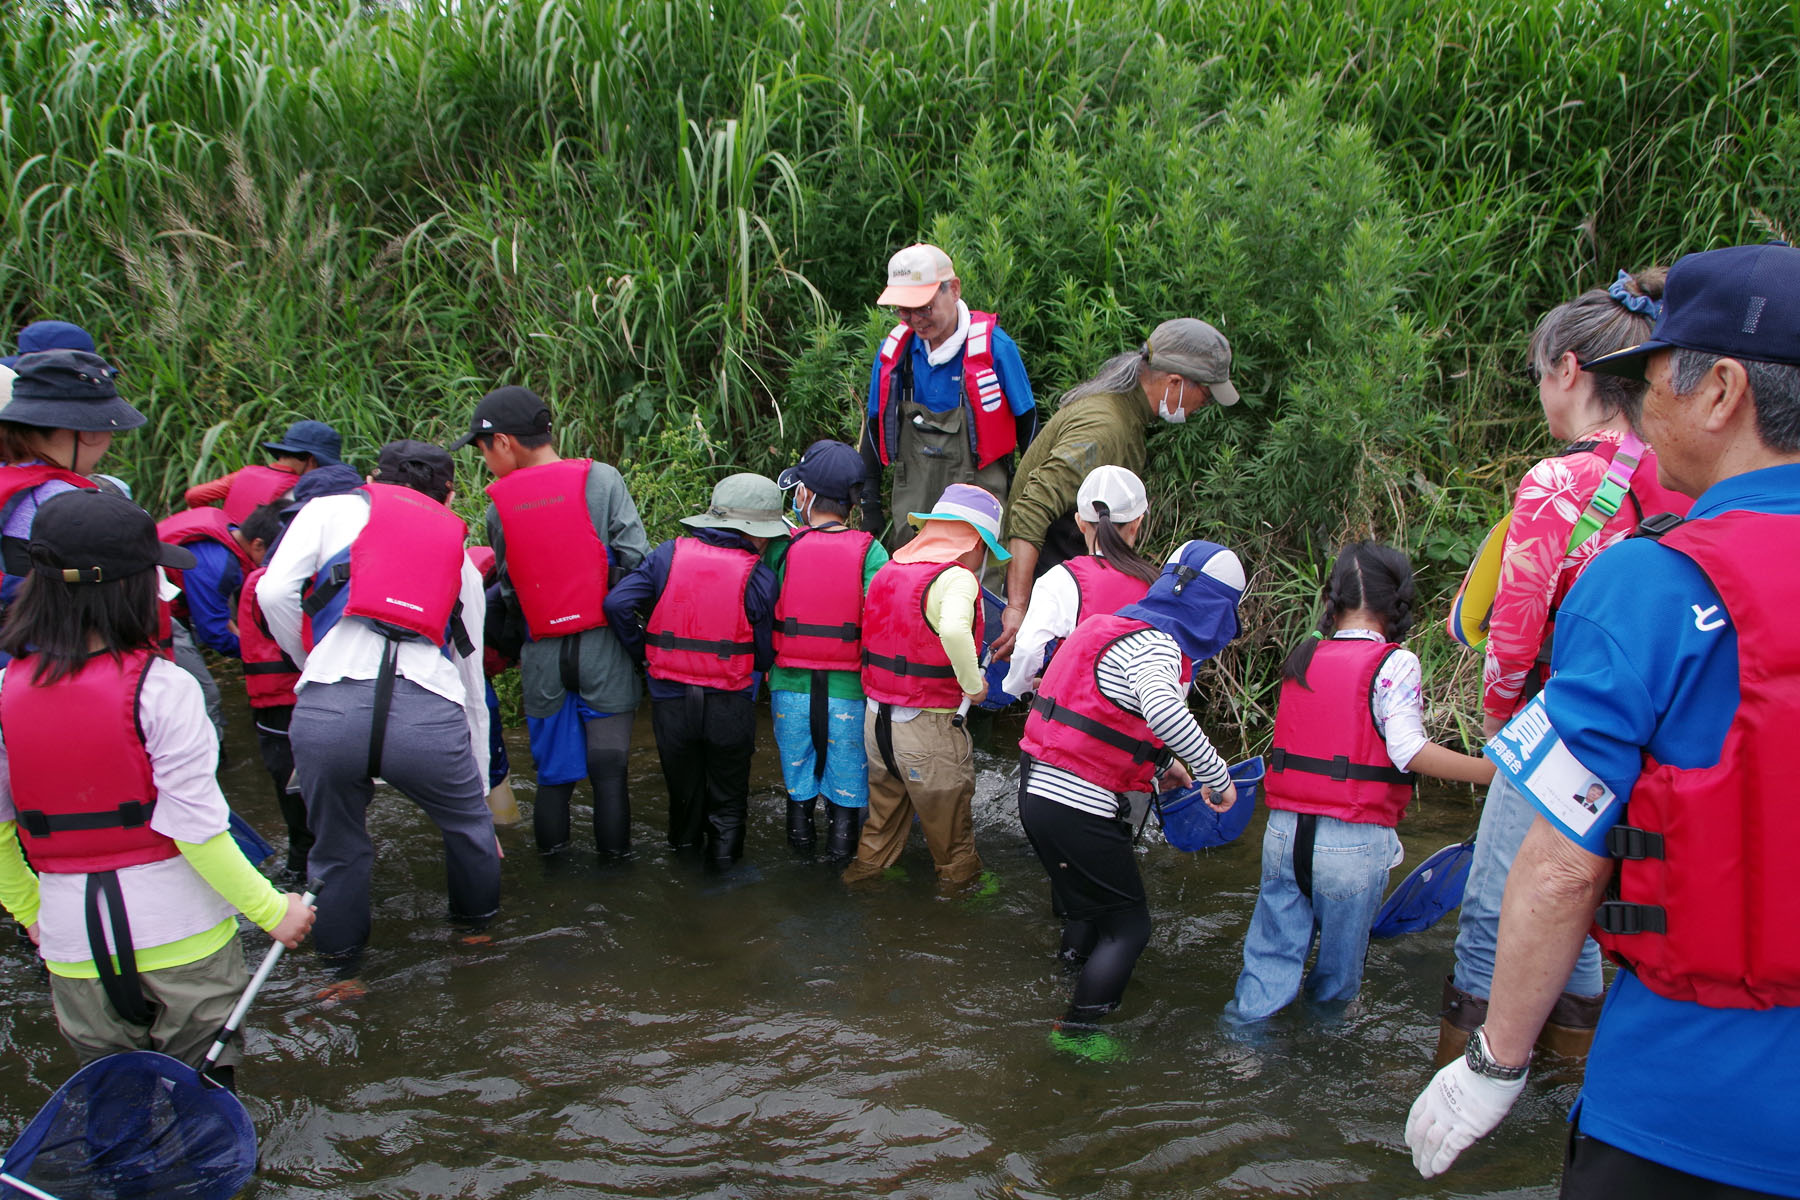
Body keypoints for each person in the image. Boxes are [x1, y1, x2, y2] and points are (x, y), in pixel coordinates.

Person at [1406, 241, 1800, 1198]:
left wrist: (1494, 1064)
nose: (1642, 408)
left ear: (1724, 393)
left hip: (1689, 1108)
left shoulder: (1653, 581)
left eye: (1656, 380)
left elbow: (1565, 862)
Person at [1440, 267, 1693, 1067]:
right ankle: (1563, 1076)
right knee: (1577, 907)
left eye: (1540, 374)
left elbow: (1514, 629)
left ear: (1570, 371)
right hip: (1651, 722)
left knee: (1495, 908)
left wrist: (1497, 717)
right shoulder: (1681, 474)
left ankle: (1461, 1088)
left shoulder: (1560, 479)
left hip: (1565, 714)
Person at [0, 490, 313, 1085]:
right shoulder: (163, 688)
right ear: (132, 589)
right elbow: (197, 832)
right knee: (200, 1101)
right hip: (183, 940)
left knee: (118, 1105)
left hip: (72, 946)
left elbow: (0, 836)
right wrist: (275, 911)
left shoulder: (3, 693)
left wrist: (34, 915)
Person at [1225, 543, 1494, 1024]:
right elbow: (1408, 750)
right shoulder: (1397, 663)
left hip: (1283, 835)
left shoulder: (1303, 656)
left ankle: (1241, 1057)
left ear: (1336, 598)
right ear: (1398, 602)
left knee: (1265, 973)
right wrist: (1494, 772)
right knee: (1335, 988)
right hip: (1350, 844)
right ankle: (1321, 1068)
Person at [257, 440, 499, 974]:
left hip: (329, 709)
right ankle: (476, 947)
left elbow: (273, 592)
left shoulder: (325, 508)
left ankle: (343, 979)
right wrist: (479, 798)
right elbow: (471, 678)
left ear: (372, 478)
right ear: (449, 495)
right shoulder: (454, 549)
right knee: (468, 832)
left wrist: (311, 661)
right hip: (426, 716)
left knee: (337, 852)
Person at [1016, 538, 1243, 1059]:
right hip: (1076, 803)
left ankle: (1069, 971)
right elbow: (1163, 712)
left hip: (1037, 791)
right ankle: (1079, 1036)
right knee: (1129, 927)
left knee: (1089, 906)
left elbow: (1103, 714)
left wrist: (1163, 766)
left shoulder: (1107, 627)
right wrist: (1218, 777)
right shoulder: (1159, 645)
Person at [456, 386, 649, 858]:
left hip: (543, 657)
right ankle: (616, 885)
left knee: (553, 783)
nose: (485, 462)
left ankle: (553, 886)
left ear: (503, 442)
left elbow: (509, 588)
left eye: (482, 450)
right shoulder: (602, 481)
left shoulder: (497, 508)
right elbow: (637, 562)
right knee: (609, 779)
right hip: (604, 651)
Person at [992, 318, 1239, 659]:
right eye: (1206, 395)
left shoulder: (1124, 414)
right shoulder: (1106, 427)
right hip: (1046, 603)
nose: (1203, 407)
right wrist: (1017, 607)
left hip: (1061, 597)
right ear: (1175, 382)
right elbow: (1033, 505)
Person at [604, 474, 781, 871]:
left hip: (670, 701)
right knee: (729, 800)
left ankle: (682, 877)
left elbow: (617, 604)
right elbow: (765, 656)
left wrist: (644, 653)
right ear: (756, 534)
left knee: (683, 798)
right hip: (729, 705)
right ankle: (723, 884)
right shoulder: (761, 577)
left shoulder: (666, 555)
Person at [843, 483, 1008, 886]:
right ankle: (963, 905)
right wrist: (973, 686)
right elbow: (952, 629)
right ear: (975, 541)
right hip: (927, 729)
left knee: (880, 826)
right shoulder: (957, 578)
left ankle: (861, 885)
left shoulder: (889, 569)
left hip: (877, 721)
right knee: (953, 838)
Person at [860, 243, 1036, 550]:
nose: (915, 320)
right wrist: (869, 503)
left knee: (978, 587)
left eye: (924, 307)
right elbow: (873, 432)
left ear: (953, 290)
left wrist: (1033, 506)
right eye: (904, 309)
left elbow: (1030, 431)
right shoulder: (895, 356)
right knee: (911, 586)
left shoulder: (996, 348)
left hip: (979, 503)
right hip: (913, 503)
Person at [767, 440, 889, 862]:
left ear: (805, 495)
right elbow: (881, 616)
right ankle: (842, 870)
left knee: (798, 789)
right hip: (849, 693)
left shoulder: (783, 548)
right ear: (851, 504)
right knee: (847, 793)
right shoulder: (871, 551)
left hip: (790, 688)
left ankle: (798, 865)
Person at [1000, 465, 1159, 698]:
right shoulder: (1157, 584)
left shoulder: (1061, 579)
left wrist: (1019, 688)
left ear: (1080, 522)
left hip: (1072, 716)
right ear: (1137, 522)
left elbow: (1027, 649)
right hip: (1134, 719)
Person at [154, 499, 282, 657]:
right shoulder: (217, 566)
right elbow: (215, 634)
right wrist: (263, 656)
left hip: (164, 590)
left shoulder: (227, 526)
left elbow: (214, 605)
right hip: (151, 612)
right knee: (200, 681)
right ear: (257, 545)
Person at [182, 419, 343, 525]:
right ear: (312, 460)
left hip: (228, 549)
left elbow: (193, 495)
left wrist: (220, 525)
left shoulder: (244, 473)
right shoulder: (298, 490)